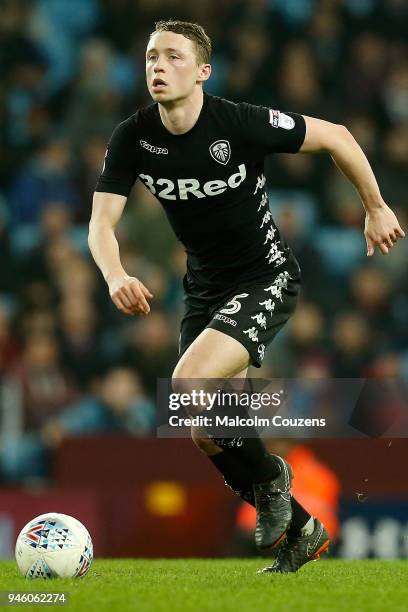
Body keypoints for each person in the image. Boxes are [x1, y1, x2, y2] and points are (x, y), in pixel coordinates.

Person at [88, 20, 405, 573]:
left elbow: (337, 136)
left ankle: (274, 482)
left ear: (203, 72)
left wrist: (374, 205)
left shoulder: (237, 122)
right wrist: (115, 275)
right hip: (205, 290)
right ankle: (302, 529)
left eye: (173, 57)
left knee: (188, 385)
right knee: (204, 426)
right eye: (150, 57)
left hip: (265, 277)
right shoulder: (133, 136)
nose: (158, 67)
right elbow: (100, 223)